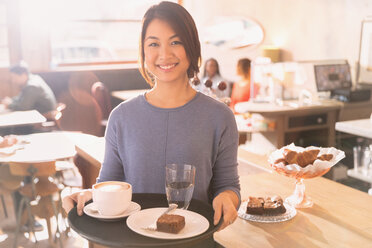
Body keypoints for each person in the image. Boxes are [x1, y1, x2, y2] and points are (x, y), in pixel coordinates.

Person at [63, 1, 240, 235]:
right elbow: (110, 183)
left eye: (175, 42)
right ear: (144, 51)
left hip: (193, 240)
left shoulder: (220, 117)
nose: (164, 54)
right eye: (154, 43)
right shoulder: (121, 117)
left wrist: (227, 198)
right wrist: (89, 195)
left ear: (192, 46)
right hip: (132, 239)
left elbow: (228, 185)